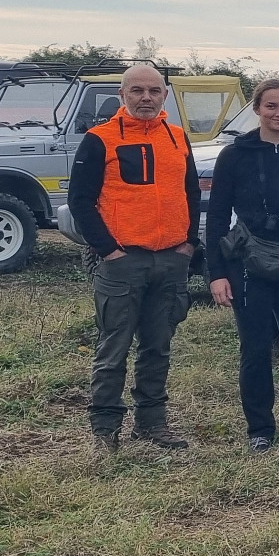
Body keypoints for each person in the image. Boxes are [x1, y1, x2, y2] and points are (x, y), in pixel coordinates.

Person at [68, 63, 200, 452]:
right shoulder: (99, 138)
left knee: (158, 347)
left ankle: (152, 424)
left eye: (154, 91)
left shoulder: (178, 138)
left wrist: (188, 243)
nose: (146, 98)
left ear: (164, 95)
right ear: (122, 95)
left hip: (171, 260)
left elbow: (190, 193)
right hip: (123, 262)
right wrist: (108, 250)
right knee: (114, 348)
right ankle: (105, 430)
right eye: (137, 91)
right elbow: (80, 201)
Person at [203, 79, 279, 452]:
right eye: (271, 106)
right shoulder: (235, 154)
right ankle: (260, 427)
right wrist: (216, 274)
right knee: (255, 348)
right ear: (257, 109)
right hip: (247, 264)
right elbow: (218, 216)